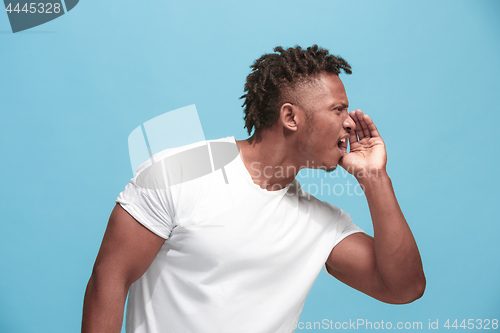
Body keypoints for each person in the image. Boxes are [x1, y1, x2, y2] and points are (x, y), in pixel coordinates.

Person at [82, 45, 425, 333]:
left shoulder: (324, 224)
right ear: (291, 117)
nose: (350, 122)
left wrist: (375, 178)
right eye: (338, 110)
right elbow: (109, 278)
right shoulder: (180, 172)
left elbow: (404, 287)